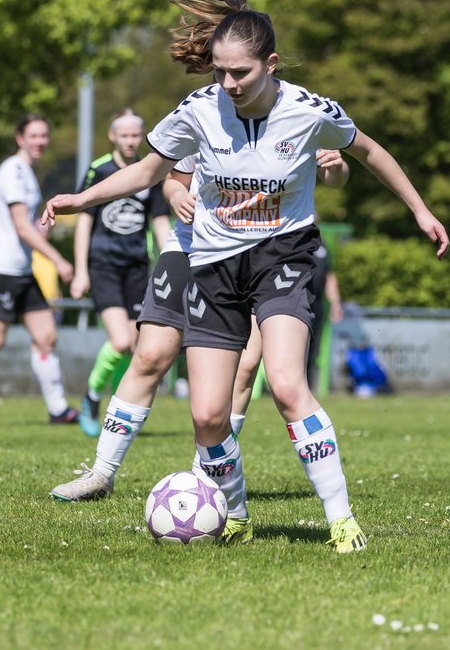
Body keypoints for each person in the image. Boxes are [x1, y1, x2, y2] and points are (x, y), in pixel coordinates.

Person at [43, 0, 449, 552]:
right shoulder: (199, 109)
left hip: (283, 257)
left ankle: (341, 520)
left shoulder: (308, 110)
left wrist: (420, 209)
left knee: (285, 384)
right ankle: (234, 514)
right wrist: (80, 199)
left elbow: (370, 151)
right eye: (221, 72)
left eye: (241, 73)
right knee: (209, 415)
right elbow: (148, 171)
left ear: (271, 65)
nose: (229, 83)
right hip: (212, 264)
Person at [51, 144, 349, 503]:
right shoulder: (202, 113)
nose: (232, 85)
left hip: (260, 254)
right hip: (189, 245)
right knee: (150, 354)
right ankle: (101, 473)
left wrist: (335, 169)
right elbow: (169, 179)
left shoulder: (291, 114)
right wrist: (177, 194)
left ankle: (204, 478)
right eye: (225, 81)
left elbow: (336, 176)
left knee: (245, 366)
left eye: (239, 81)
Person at [0, 114, 77, 426]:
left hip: (20, 269)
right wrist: (58, 260)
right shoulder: (13, 171)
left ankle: (58, 409)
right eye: (34, 136)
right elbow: (21, 227)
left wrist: (41, 227)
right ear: (20, 138)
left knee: (45, 335)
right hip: (0, 268)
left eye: (44, 136)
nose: (40, 142)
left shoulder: (27, 173)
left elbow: (25, 226)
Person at [72, 108, 173, 437]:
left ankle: (118, 411)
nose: (131, 141)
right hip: (103, 264)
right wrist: (80, 270)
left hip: (136, 267)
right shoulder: (99, 170)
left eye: (135, 135)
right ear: (112, 136)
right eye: (125, 135)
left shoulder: (151, 171)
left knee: (134, 345)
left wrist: (174, 261)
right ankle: (90, 396)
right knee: (120, 341)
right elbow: (84, 220)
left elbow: (159, 221)